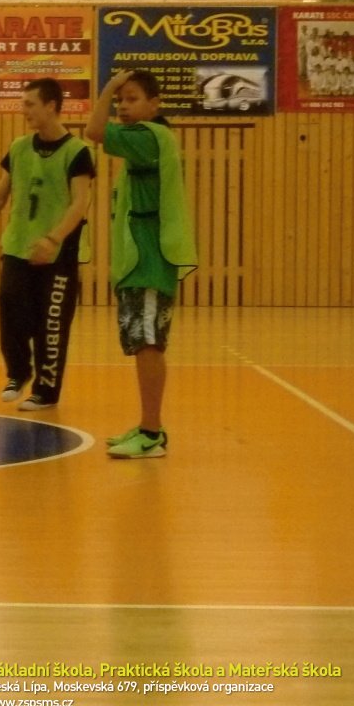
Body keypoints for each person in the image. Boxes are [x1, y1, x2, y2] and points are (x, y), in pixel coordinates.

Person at [0, 78, 94, 411]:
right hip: (18, 247)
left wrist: (53, 238)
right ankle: (18, 372)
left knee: (51, 322)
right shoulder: (20, 147)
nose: (24, 110)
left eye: (30, 104)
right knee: (10, 304)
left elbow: (80, 203)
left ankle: (46, 391)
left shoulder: (77, 152)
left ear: (51, 106)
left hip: (58, 254)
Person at [84, 69, 198, 459]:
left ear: (155, 103)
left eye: (131, 99)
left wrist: (106, 88)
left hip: (151, 260)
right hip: (139, 262)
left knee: (149, 343)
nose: (122, 106)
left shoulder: (150, 137)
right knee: (141, 342)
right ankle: (149, 425)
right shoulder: (143, 142)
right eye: (120, 100)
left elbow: (94, 131)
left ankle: (152, 433)